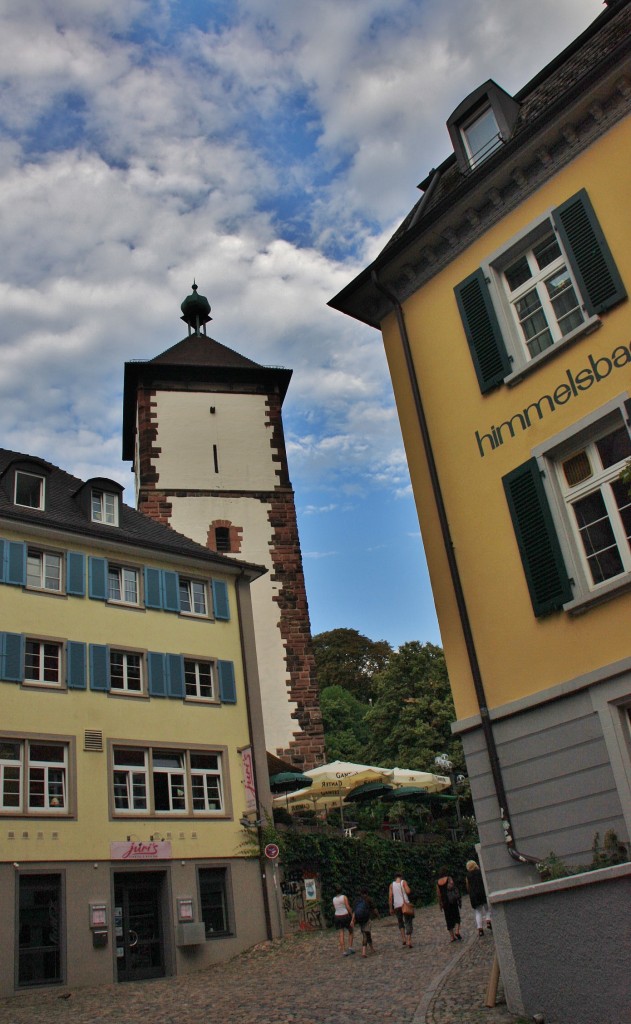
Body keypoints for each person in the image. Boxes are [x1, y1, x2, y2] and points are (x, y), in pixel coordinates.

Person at [465, 859, 492, 936]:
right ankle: (488, 920)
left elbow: (468, 887)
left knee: (478, 912)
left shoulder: (467, 876)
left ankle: (480, 929)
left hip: (474, 895)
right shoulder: (480, 872)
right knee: (487, 908)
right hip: (482, 892)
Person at [388, 870, 413, 948]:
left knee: (400, 922)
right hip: (404, 904)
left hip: (397, 905)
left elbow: (390, 897)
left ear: (395, 877)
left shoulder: (391, 885)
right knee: (408, 921)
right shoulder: (403, 882)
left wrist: (390, 908)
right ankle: (409, 940)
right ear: (401, 876)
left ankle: (403, 939)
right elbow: (408, 891)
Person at [436, 867, 462, 942]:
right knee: (456, 916)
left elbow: (438, 894)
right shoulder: (449, 878)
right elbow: (453, 886)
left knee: (448, 918)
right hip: (452, 900)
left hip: (445, 902)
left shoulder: (438, 882)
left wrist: (440, 904)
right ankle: (457, 931)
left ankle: (452, 937)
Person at [351, 889, 375, 957]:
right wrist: (378, 916)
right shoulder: (367, 899)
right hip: (367, 918)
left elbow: (354, 912)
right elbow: (374, 908)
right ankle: (364, 952)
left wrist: (352, 920)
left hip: (360, 919)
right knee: (366, 934)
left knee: (366, 933)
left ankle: (371, 948)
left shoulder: (356, 901)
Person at [332, 890, 355, 955]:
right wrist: (351, 913)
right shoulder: (344, 897)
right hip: (345, 916)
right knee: (351, 930)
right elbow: (347, 906)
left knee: (341, 933)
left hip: (337, 916)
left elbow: (335, 908)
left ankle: (343, 951)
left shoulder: (334, 899)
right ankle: (350, 947)